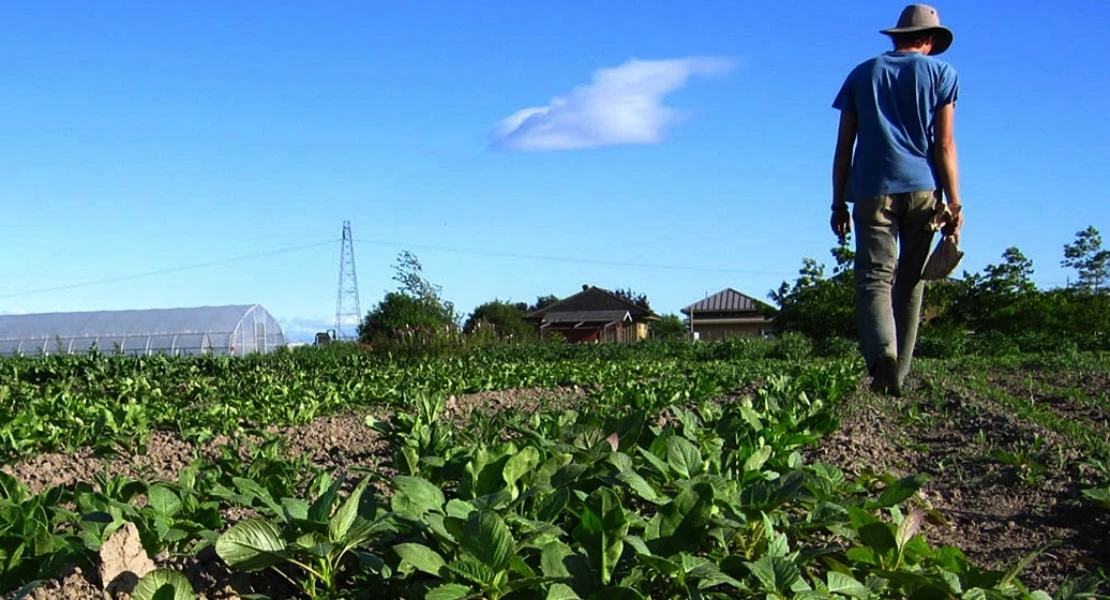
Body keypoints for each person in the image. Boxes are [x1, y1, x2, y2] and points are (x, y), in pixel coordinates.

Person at [829, 4, 963, 396]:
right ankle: (898, 377)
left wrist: (838, 202)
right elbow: (944, 144)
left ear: (898, 36)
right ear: (930, 39)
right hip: (922, 189)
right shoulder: (942, 74)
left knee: (874, 279)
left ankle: (882, 359)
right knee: (911, 281)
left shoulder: (862, 73)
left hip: (871, 189)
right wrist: (953, 201)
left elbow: (843, 148)